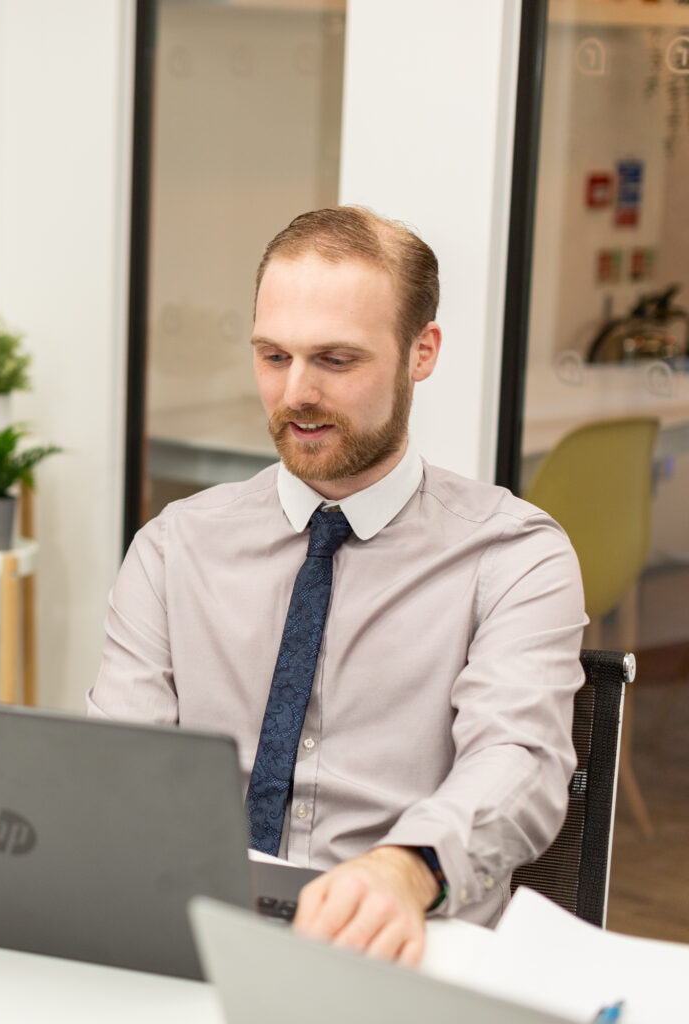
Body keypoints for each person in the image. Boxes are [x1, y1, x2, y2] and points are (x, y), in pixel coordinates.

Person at [87, 207, 585, 964]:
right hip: (195, 939)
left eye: (336, 360)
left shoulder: (514, 557)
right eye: (273, 356)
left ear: (422, 352)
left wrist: (406, 867)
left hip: (406, 954)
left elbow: (519, 758)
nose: (297, 394)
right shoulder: (174, 547)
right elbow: (123, 765)